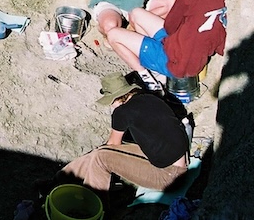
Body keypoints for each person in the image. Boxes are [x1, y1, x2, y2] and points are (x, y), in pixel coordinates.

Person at [106, 0, 227, 91]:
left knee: (113, 35)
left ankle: (149, 77)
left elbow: (169, 27)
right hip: (193, 59)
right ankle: (150, 57)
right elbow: (220, 47)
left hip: (173, 63)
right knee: (137, 13)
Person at [56, 72, 189, 193]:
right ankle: (59, 180)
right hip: (180, 164)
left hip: (169, 177)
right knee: (100, 152)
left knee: (100, 158)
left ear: (116, 98)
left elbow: (113, 144)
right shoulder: (150, 98)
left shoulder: (122, 112)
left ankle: (92, 200)